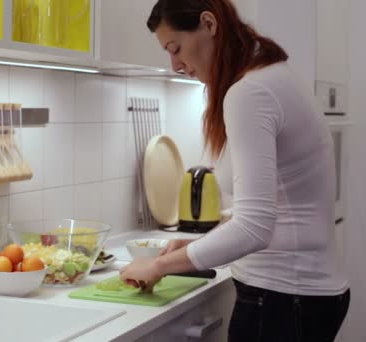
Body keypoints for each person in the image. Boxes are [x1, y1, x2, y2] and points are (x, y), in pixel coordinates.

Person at [119, 0, 350, 341]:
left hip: (283, 300)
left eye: (176, 48)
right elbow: (273, 212)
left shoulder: (250, 92)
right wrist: (193, 248)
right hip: (303, 295)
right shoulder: (272, 74)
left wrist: (158, 266)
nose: (175, 65)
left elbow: (254, 228)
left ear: (209, 24)